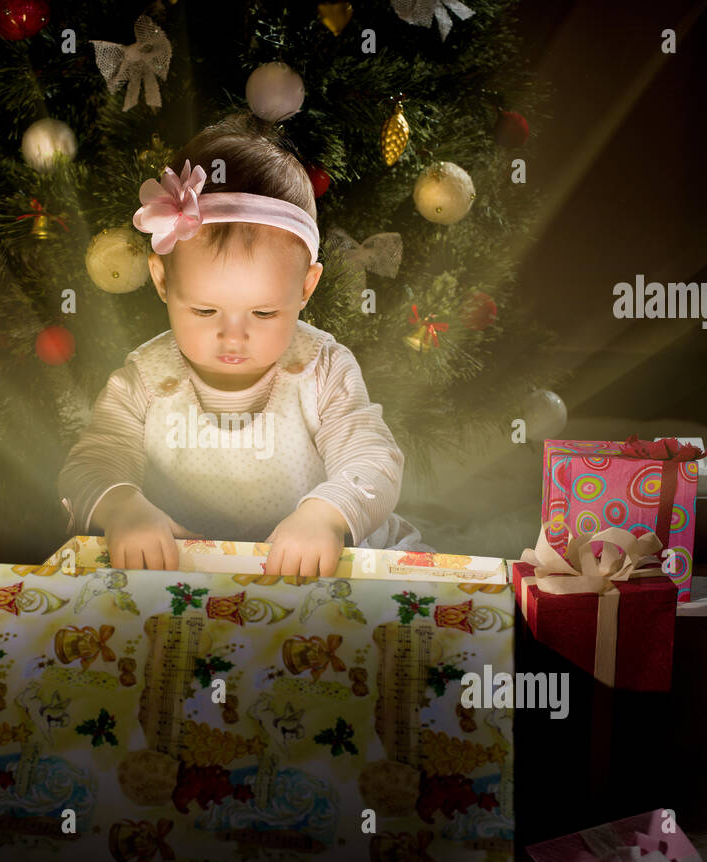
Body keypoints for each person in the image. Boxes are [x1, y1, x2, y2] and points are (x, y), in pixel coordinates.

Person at [58, 114, 434, 575]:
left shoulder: (320, 369)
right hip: (190, 566)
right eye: (203, 311)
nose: (232, 336)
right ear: (161, 279)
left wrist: (328, 514)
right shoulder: (147, 378)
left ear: (305, 288)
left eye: (263, 313)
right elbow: (89, 463)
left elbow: (374, 459)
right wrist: (121, 507)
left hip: (316, 559)